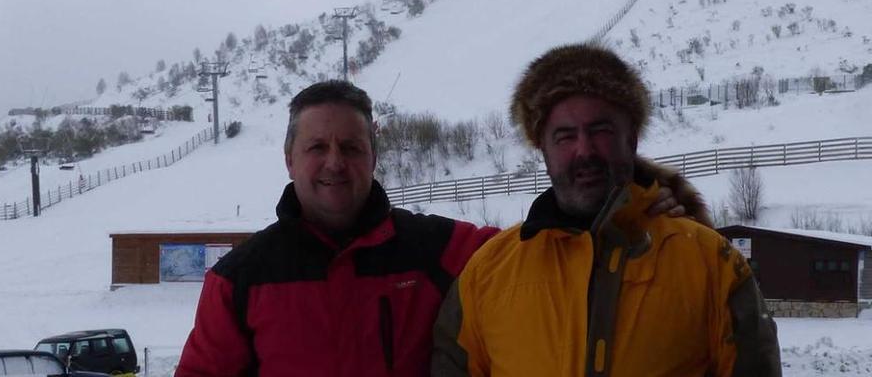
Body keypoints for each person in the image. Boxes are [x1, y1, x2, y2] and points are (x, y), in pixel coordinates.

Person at [176, 80, 707, 377]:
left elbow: (548, 252)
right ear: (290, 159)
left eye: (352, 147)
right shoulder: (239, 280)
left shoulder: (441, 248)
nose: (334, 162)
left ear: (373, 157)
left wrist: (635, 213)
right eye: (317, 147)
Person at [432, 43, 781, 377]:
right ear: (542, 148)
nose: (584, 150)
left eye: (600, 130)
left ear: (631, 138)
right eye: (565, 136)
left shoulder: (711, 264)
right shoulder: (486, 274)